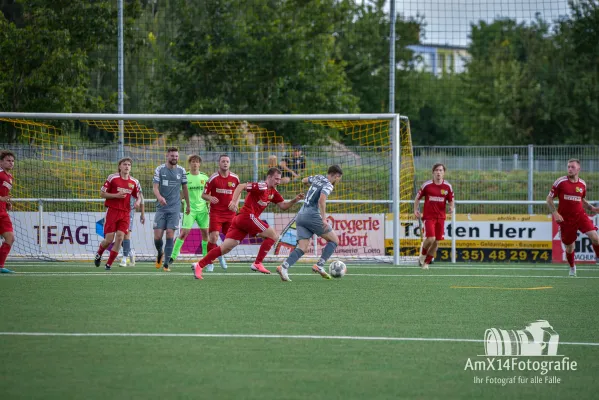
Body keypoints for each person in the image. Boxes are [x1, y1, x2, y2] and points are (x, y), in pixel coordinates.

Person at [193, 167, 303, 280]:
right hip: (247, 216)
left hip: (241, 220)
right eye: (276, 179)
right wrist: (234, 201)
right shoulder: (262, 186)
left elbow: (283, 206)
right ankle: (257, 263)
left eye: (279, 179)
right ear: (269, 177)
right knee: (273, 235)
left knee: (226, 248)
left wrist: (295, 200)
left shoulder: (273, 192)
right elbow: (240, 186)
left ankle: (199, 265)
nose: (278, 182)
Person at [276, 165, 344, 282]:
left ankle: (284, 267)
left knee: (302, 248)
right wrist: (323, 218)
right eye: (339, 178)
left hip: (301, 215)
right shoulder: (328, 184)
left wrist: (311, 187)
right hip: (312, 215)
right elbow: (322, 200)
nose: (338, 180)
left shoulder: (318, 177)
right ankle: (320, 265)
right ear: (336, 176)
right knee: (334, 240)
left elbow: (304, 180)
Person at [546, 159, 599, 277]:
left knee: (596, 238)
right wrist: (555, 213)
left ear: (578, 169)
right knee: (570, 247)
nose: (570, 169)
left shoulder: (582, 184)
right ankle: (572, 267)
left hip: (580, 216)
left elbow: (582, 200)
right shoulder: (560, 182)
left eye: (572, 167)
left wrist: (592, 209)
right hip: (566, 220)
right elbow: (549, 199)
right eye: (568, 167)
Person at [94, 158, 141, 270]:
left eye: (129, 165)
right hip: (112, 211)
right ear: (120, 166)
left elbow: (137, 195)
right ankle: (99, 253)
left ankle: (109, 264)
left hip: (126, 213)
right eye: (124, 164)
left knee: (120, 238)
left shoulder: (134, 182)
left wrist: (138, 202)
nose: (127, 166)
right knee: (109, 239)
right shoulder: (113, 178)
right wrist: (116, 195)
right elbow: (102, 193)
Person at [153, 147, 190, 272]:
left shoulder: (182, 170)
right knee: (157, 237)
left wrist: (188, 205)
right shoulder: (160, 169)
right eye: (172, 156)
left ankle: (166, 264)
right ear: (167, 156)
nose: (174, 158)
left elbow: (185, 188)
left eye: (176, 156)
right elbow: (155, 188)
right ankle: (160, 253)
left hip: (175, 208)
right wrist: (159, 197)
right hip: (161, 208)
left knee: (170, 233)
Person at [169, 155, 210, 266]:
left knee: (206, 234)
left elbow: (209, 194)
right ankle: (172, 257)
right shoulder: (185, 177)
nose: (195, 164)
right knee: (183, 233)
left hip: (203, 210)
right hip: (189, 210)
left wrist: (210, 206)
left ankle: (205, 259)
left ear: (199, 164)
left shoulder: (205, 177)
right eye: (192, 162)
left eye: (197, 162)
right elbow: (180, 195)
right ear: (189, 163)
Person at [201, 154, 239, 271]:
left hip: (230, 213)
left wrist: (236, 203)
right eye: (223, 161)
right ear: (219, 163)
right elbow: (203, 194)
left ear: (230, 163)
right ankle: (210, 262)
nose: (225, 163)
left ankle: (219, 255)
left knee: (231, 240)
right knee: (213, 237)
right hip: (216, 212)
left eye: (227, 161)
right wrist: (210, 198)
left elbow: (239, 191)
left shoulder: (235, 178)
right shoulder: (213, 178)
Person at [413, 163, 454, 270]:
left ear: (444, 173)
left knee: (437, 241)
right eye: (436, 170)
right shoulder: (427, 185)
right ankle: (422, 255)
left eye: (441, 170)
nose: (438, 172)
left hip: (441, 217)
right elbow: (417, 198)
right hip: (428, 217)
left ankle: (426, 263)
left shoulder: (447, 186)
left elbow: (451, 200)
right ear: (433, 172)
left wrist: (451, 207)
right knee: (431, 238)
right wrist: (415, 210)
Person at [119, 183, 145, 267]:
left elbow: (141, 197)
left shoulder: (134, 182)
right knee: (119, 236)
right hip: (117, 211)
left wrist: (142, 213)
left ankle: (124, 258)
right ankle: (130, 252)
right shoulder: (115, 179)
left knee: (126, 234)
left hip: (129, 211)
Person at [0, 150, 16, 273]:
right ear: (1, 162)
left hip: (2, 211)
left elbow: (4, 194)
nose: (11, 163)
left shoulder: (9, 177)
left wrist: (7, 203)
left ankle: (0, 266)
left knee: (10, 237)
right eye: (8, 160)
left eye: (12, 161)